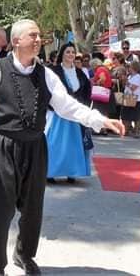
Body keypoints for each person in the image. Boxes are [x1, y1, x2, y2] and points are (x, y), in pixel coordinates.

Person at [0, 19, 125, 275]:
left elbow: (67, 106)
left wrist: (101, 120)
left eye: (39, 36)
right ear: (16, 41)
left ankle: (24, 255)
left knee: (33, 208)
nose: (38, 40)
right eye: (32, 36)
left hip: (35, 146)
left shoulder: (46, 74)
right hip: (1, 146)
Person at [45, 42, 93, 184]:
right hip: (58, 113)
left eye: (73, 52)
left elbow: (86, 91)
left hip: (75, 113)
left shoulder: (80, 72)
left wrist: (83, 107)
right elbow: (47, 89)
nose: (70, 54)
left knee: (74, 144)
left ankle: (72, 172)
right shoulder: (54, 71)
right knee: (54, 143)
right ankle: (51, 172)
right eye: (67, 52)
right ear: (62, 54)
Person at [121, 61, 140, 137]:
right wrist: (124, 81)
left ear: (134, 68)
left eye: (129, 67)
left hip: (136, 98)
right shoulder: (130, 76)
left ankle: (137, 132)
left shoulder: (138, 77)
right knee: (126, 115)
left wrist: (126, 82)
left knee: (137, 116)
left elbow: (133, 88)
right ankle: (126, 130)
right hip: (128, 97)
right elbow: (126, 86)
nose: (128, 68)